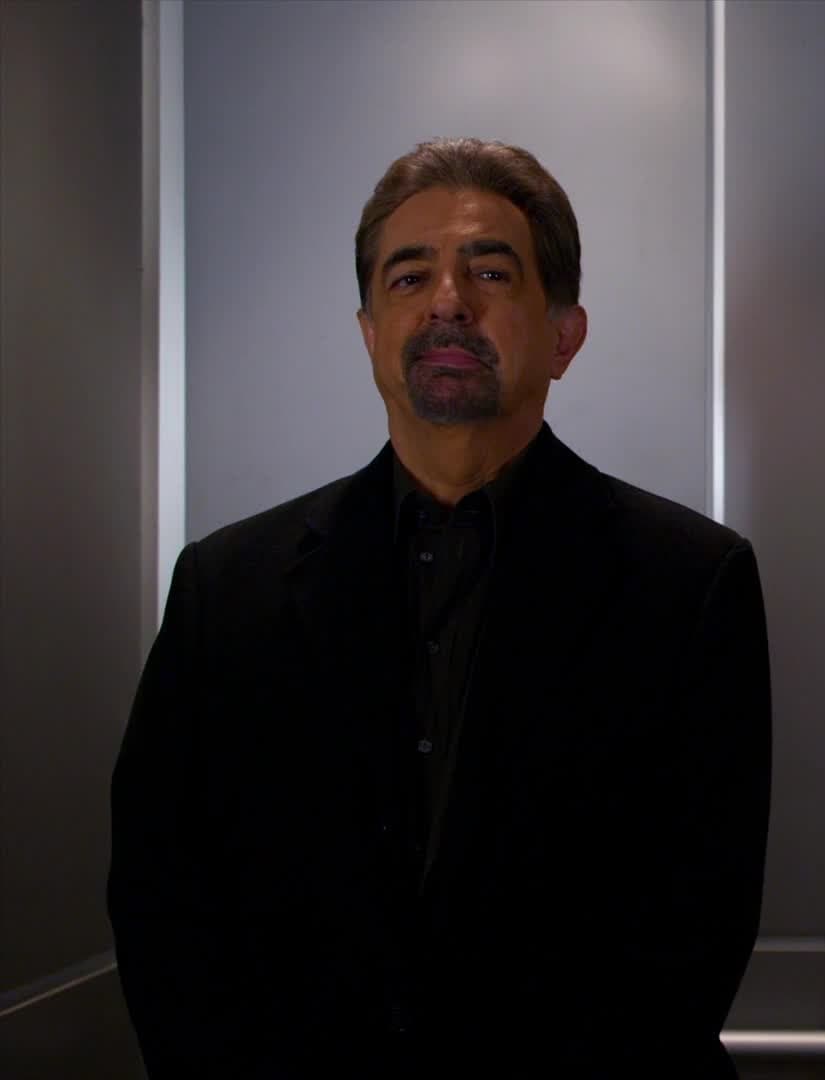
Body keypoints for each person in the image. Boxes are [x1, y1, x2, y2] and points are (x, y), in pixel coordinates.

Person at [108, 139, 771, 1078]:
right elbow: (161, 893)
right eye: (409, 276)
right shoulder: (226, 587)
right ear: (370, 332)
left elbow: (698, 921)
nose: (447, 301)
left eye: (490, 272)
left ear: (565, 336)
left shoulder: (691, 583)